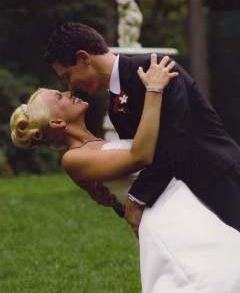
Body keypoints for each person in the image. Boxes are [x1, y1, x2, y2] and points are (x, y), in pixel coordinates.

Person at [10, 55, 240, 293]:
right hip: (166, 218)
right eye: (59, 96)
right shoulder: (73, 158)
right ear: (57, 122)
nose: (68, 92)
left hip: (185, 207)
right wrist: (153, 89)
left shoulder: (96, 143)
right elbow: (141, 155)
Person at [43, 22, 240, 233]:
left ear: (84, 58)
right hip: (183, 197)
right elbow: (141, 165)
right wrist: (116, 198)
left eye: (67, 75)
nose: (70, 86)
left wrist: (136, 198)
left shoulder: (155, 68)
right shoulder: (115, 109)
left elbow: (176, 139)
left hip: (219, 179)